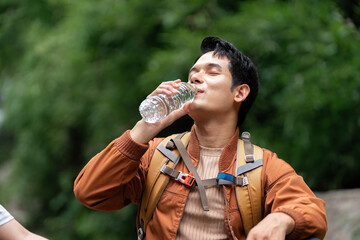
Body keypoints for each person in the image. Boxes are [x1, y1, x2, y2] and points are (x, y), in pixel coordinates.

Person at [74, 36, 327, 240]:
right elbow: (90, 192)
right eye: (193, 73)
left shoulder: (263, 166)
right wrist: (144, 128)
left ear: (239, 93)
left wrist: (280, 219)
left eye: (212, 72)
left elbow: (311, 209)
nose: (195, 77)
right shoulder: (157, 154)